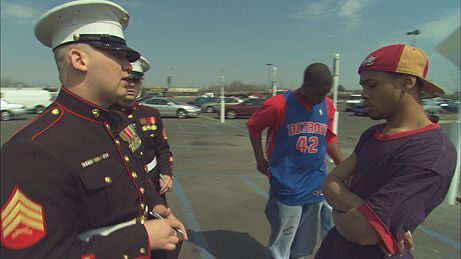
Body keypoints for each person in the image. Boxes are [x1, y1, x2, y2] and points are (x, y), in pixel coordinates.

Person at [0, 1, 187, 258]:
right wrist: (142, 237)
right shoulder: (34, 149)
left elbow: (136, 177)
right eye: (117, 55)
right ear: (79, 60)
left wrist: (157, 207)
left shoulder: (117, 121)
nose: (128, 66)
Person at [314, 44, 457, 259]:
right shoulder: (373, 134)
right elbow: (329, 182)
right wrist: (363, 209)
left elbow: (363, 231)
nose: (363, 94)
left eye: (371, 85)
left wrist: (340, 206)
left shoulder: (431, 152)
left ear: (407, 82)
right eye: (363, 86)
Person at [247, 63, 345, 259]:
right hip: (287, 181)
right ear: (306, 85)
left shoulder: (326, 105)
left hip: (316, 181)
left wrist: (344, 166)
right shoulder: (278, 104)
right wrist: (260, 159)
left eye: (325, 93)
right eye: (318, 93)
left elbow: (329, 138)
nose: (321, 98)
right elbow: (254, 127)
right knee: (284, 235)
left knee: (306, 239)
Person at [114, 56, 174, 202]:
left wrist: (166, 174)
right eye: (126, 80)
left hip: (153, 185)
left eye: (135, 81)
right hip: (122, 189)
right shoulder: (107, 115)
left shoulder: (151, 114)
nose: (131, 85)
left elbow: (163, 149)